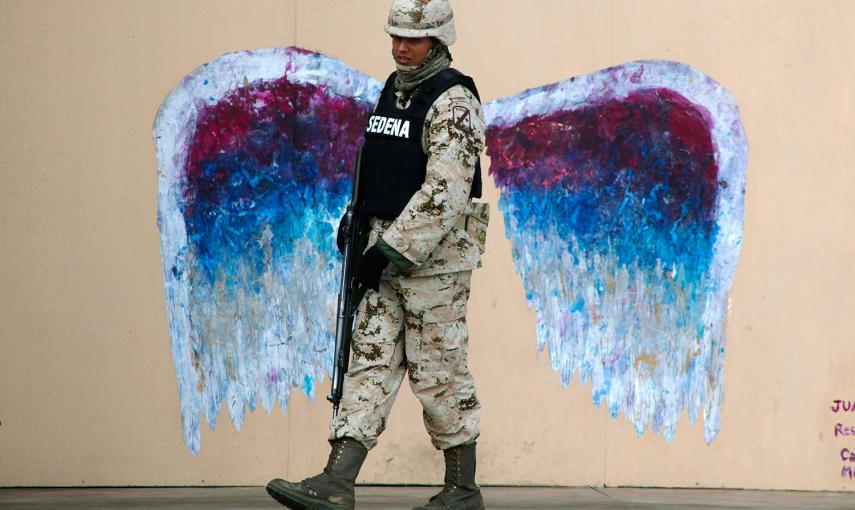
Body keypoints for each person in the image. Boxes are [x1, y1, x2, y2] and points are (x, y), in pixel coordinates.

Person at [267, 1, 488, 508]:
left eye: (412, 39)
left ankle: (462, 488)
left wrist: (390, 248)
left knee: (438, 369)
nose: (400, 47)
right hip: (381, 253)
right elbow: (382, 165)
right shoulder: (395, 90)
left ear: (437, 40)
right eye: (395, 37)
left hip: (432, 263)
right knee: (368, 360)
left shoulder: (453, 100)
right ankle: (336, 481)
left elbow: (446, 193)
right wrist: (359, 220)